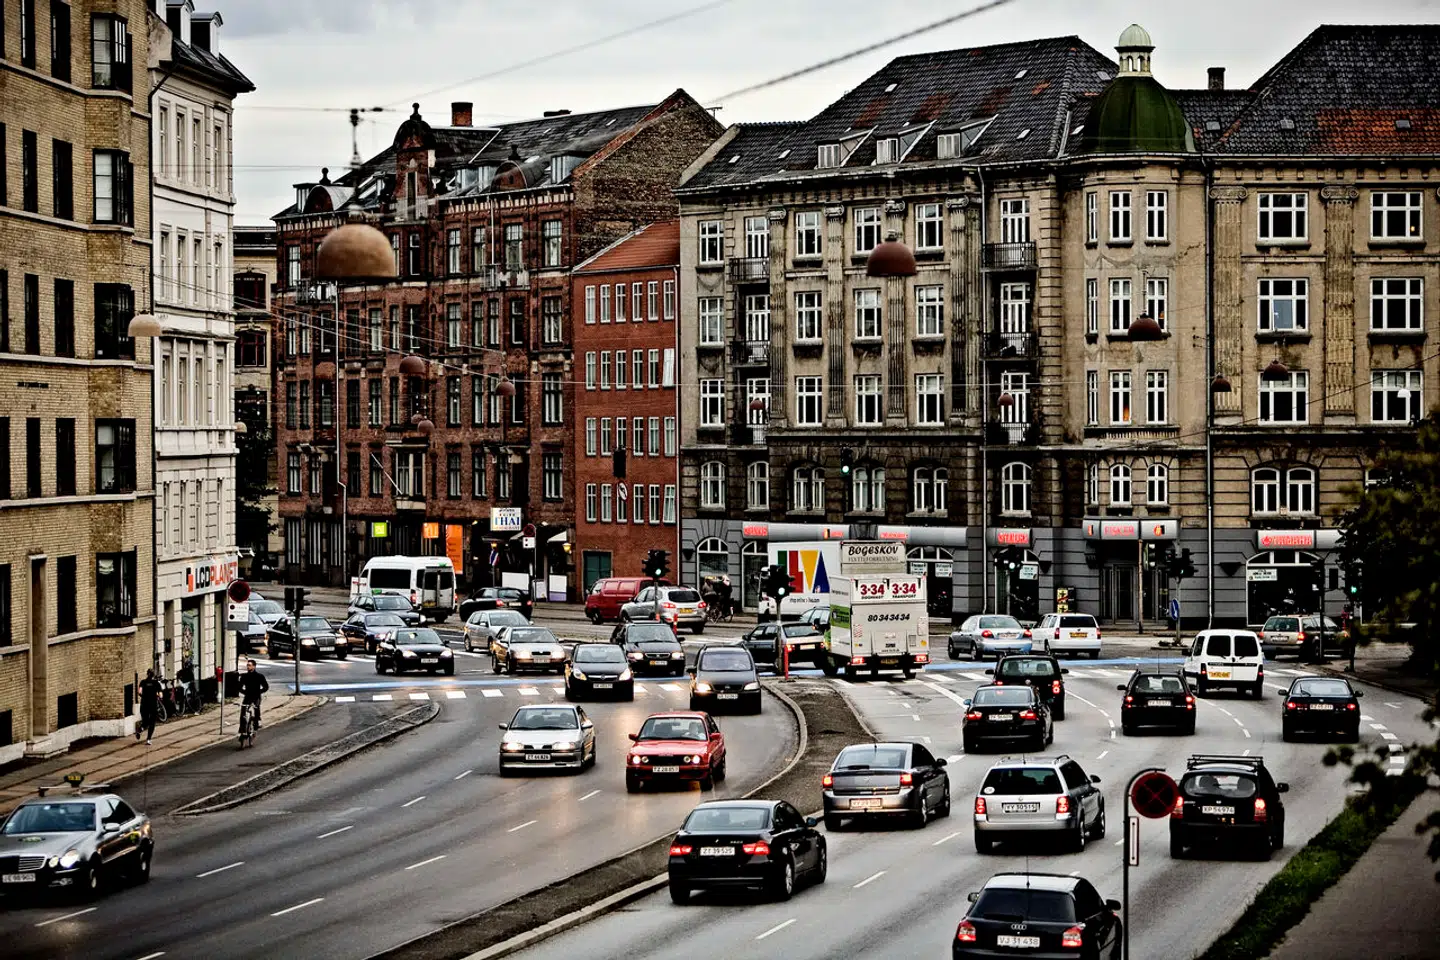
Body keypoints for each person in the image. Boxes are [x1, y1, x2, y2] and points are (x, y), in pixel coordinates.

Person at [237, 659, 270, 729]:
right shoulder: (244, 676)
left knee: (256, 707)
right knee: (243, 709)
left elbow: (266, 687)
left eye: (249, 665)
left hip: (256, 696)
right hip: (247, 696)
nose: (248, 667)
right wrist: (245, 692)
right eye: (247, 665)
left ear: (254, 666)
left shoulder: (259, 676)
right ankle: (242, 728)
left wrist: (259, 691)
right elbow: (239, 687)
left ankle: (257, 721)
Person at [137, 669, 162, 744]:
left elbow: (139, 692)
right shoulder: (156, 683)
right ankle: (148, 739)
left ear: (147, 674)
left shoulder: (143, 682)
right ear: (153, 675)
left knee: (145, 721)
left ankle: (141, 729)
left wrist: (143, 696)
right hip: (153, 705)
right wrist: (158, 696)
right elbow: (160, 695)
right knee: (152, 722)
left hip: (144, 704)